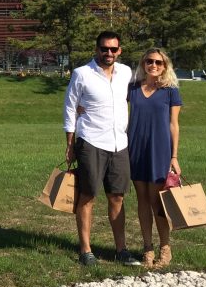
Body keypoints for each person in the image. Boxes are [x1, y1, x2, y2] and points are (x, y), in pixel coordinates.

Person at [63, 31, 137, 266]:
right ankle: (86, 250)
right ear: (96, 49)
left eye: (113, 49)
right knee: (88, 195)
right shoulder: (82, 74)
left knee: (117, 196)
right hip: (91, 141)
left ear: (119, 51)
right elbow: (69, 107)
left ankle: (121, 249)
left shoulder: (126, 72)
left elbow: (146, 86)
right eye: (104, 49)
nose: (108, 53)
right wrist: (69, 144)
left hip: (119, 143)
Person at [128, 47, 182, 268]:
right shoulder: (132, 89)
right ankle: (147, 247)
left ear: (165, 66)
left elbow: (174, 125)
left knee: (158, 201)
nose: (154, 65)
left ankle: (165, 247)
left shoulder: (170, 91)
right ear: (143, 63)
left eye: (159, 63)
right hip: (135, 148)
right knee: (142, 201)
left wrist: (174, 155)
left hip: (160, 150)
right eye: (150, 61)